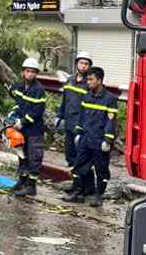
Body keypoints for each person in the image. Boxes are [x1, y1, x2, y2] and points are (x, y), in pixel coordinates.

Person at [62, 66, 119, 207]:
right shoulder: (86, 96)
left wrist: (108, 140)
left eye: (91, 79)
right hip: (86, 140)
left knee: (101, 171)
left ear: (99, 80)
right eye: (87, 79)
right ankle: (79, 193)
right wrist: (78, 133)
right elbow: (82, 118)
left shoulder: (109, 99)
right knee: (79, 166)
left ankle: (98, 196)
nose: (88, 82)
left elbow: (111, 122)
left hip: (100, 142)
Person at [55, 51, 94, 195]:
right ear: (76, 63)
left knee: (82, 158)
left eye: (86, 64)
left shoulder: (89, 84)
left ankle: (87, 188)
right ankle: (77, 184)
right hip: (69, 125)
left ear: (89, 66)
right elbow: (65, 101)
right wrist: (59, 116)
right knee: (70, 156)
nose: (83, 66)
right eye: (81, 63)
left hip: (81, 127)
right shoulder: (70, 80)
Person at [9, 57, 47, 197]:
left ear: (36, 73)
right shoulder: (19, 86)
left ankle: (31, 186)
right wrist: (14, 113)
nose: (30, 74)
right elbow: (18, 103)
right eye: (27, 71)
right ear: (23, 72)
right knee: (22, 155)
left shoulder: (39, 90)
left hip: (34, 130)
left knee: (34, 157)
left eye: (33, 72)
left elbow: (37, 111)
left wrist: (23, 121)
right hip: (22, 130)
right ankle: (22, 181)